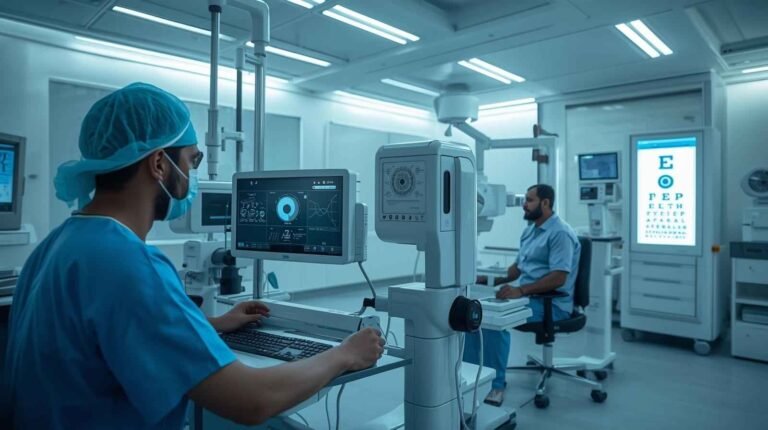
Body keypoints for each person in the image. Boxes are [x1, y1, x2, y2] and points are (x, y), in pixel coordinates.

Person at [2, 83, 383, 429]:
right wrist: (345, 354)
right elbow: (251, 400)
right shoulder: (130, 264)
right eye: (192, 161)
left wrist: (212, 325)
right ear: (157, 164)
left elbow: (98, 340)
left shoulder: (58, 244)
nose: (191, 176)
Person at [464, 184, 581, 407]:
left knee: (494, 321)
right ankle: (473, 379)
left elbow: (559, 277)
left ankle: (495, 386)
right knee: (473, 315)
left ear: (545, 203)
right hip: (529, 298)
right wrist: (488, 279)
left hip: (552, 304)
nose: (523, 205)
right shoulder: (530, 230)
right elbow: (516, 270)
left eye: (529, 200)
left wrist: (521, 291)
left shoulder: (560, 233)